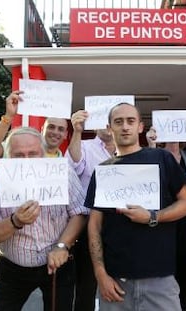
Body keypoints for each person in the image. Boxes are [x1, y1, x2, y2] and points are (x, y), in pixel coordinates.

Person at [86, 103, 186, 310]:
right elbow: (94, 225)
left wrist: (152, 217)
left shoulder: (161, 158)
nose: (125, 127)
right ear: (110, 128)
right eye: (118, 122)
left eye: (130, 121)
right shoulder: (102, 171)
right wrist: (100, 274)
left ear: (140, 127)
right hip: (115, 281)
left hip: (160, 279)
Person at [0, 126, 88, 311]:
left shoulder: (63, 174)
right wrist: (15, 222)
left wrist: (63, 246)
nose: (26, 161)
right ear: (6, 156)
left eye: (33, 154)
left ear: (44, 154)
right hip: (12, 267)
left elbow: (79, 213)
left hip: (57, 264)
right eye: (18, 155)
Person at [65, 109, 116, 311]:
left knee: (122, 285)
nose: (106, 124)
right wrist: (77, 131)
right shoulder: (84, 146)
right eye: (101, 120)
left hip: (121, 227)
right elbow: (74, 164)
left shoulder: (129, 151)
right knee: (87, 286)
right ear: (94, 124)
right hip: (90, 227)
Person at [146, 128, 186, 311]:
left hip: (185, 223)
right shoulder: (154, 154)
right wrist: (151, 146)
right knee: (162, 274)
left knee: (184, 272)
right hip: (161, 222)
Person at [0, 90, 69, 158]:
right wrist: (8, 116)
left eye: (61, 129)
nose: (55, 132)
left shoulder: (63, 165)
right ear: (42, 129)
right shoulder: (20, 148)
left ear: (65, 134)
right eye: (51, 127)